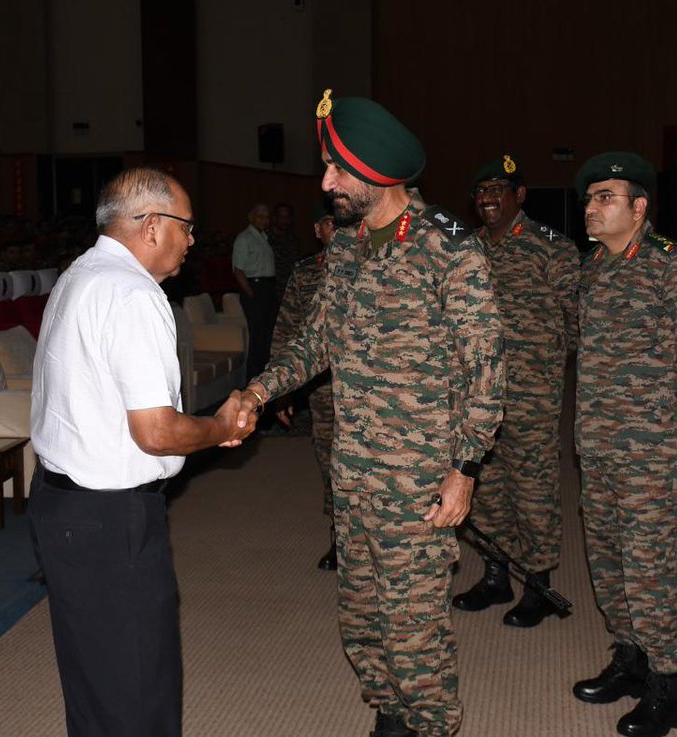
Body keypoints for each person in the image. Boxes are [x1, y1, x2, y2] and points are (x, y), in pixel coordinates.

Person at [237, 90, 505, 737]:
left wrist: (466, 467)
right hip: (352, 475)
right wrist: (258, 391)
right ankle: (393, 715)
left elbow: (487, 366)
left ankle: (431, 722)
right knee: (362, 620)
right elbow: (316, 342)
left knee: (414, 633)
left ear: (378, 172)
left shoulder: (449, 251)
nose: (325, 181)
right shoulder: (347, 249)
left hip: (417, 485)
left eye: (336, 168)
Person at [29, 167, 257, 737]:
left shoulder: (80, 273)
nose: (192, 239)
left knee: (95, 685)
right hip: (110, 519)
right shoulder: (132, 294)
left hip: (62, 505)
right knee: (135, 687)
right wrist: (219, 427)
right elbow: (155, 432)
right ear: (152, 226)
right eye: (187, 226)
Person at [570, 152, 677, 737]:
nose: (590, 207)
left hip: (649, 449)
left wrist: (675, 415)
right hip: (597, 443)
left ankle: (668, 687)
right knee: (607, 560)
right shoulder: (591, 270)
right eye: (588, 198)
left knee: (648, 566)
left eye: (604, 197)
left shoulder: (673, 266)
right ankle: (630, 660)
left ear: (639, 208)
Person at [452, 154, 580, 629]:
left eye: (497, 189)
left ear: (519, 195)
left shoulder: (553, 249)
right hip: (476, 394)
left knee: (533, 490)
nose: (486, 198)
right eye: (480, 191)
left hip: (531, 394)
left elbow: (576, 321)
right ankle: (495, 575)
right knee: (485, 488)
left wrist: (543, 364)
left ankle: (540, 586)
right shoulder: (467, 250)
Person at [272, 202, 338, 570]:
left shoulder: (371, 268)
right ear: (317, 230)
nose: (337, 229)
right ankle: (338, 536)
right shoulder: (304, 273)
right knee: (329, 462)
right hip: (321, 390)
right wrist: (282, 389)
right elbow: (287, 331)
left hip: (365, 391)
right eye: (330, 223)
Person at [232, 203, 277, 379]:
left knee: (268, 336)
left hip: (267, 288)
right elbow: (238, 270)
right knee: (257, 337)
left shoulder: (264, 237)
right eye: (260, 216)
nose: (264, 220)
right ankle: (252, 380)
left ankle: (264, 379)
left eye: (266, 217)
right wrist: (251, 294)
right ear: (251, 217)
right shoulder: (244, 238)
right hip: (255, 288)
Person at [269, 202, 300, 303]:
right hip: (271, 290)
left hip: (289, 291)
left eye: (287, 217)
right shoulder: (266, 238)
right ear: (274, 218)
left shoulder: (293, 239)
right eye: (281, 217)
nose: (284, 221)